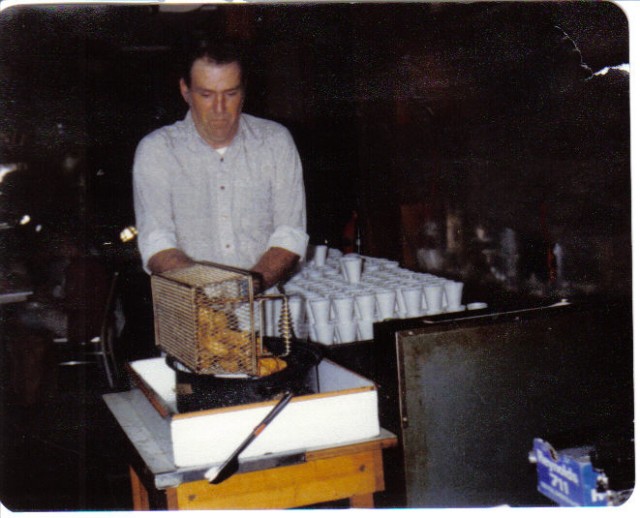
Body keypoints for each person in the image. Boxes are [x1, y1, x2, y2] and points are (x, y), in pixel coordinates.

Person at [133, 38, 308, 291]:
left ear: (244, 90)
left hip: (263, 310)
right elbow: (156, 241)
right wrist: (208, 293)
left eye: (230, 93)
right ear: (185, 91)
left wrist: (244, 291)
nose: (219, 108)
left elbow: (290, 233)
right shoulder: (157, 151)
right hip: (190, 313)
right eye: (206, 94)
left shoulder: (275, 142)